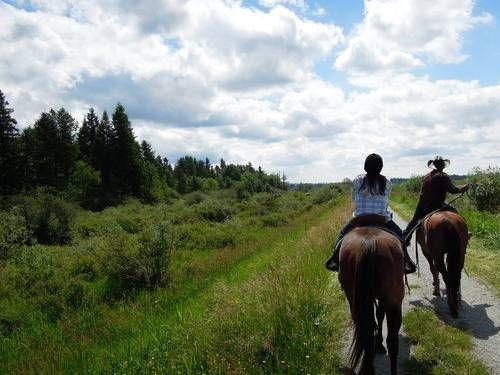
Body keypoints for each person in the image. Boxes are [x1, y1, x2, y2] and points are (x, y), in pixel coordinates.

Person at [326, 153, 416, 274]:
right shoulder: (387, 182)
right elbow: (387, 200)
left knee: (342, 234)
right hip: (382, 220)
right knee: (400, 236)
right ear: (381, 167)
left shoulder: (357, 181)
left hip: (359, 220)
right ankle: (407, 262)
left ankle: (334, 260)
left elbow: (354, 198)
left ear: (365, 167)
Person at [402, 156, 469, 245]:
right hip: (437, 204)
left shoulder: (426, 176)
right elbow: (453, 190)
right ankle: (465, 233)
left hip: (422, 204)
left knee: (414, 221)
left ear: (434, 165)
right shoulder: (443, 176)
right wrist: (463, 188)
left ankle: (406, 238)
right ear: (443, 165)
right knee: (455, 212)